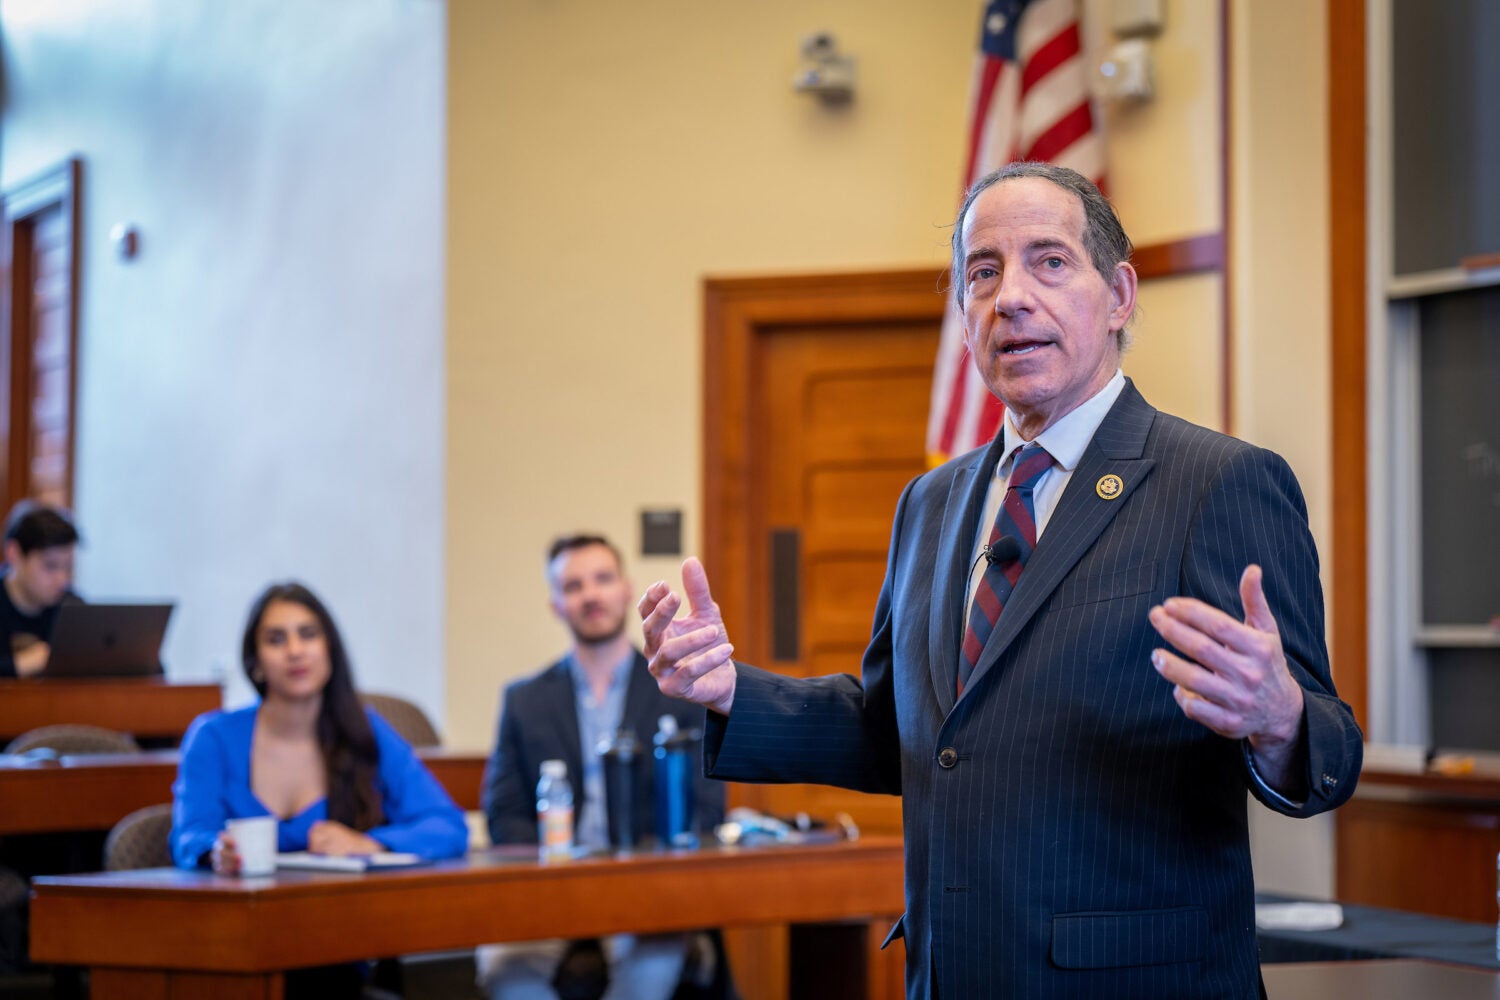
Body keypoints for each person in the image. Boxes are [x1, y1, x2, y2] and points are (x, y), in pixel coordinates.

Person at [639, 162, 1364, 999]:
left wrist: (1278, 720)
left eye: (1049, 262)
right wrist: (733, 692)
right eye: (983, 272)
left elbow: (1329, 749)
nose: (1011, 296)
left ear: (1119, 295)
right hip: (952, 973)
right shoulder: (932, 501)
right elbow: (900, 732)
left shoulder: (1218, 482)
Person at [479, 535, 725, 1000]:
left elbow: (706, 808)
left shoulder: (679, 686)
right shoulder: (523, 700)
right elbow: (504, 816)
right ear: (555, 604)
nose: (590, 594)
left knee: (651, 966)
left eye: (602, 579)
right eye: (573, 585)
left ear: (627, 590)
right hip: (547, 893)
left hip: (646, 892)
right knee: (506, 973)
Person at [172, 581, 467, 869]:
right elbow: (189, 835)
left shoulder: (365, 730)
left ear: (330, 649)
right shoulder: (213, 738)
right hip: (237, 911)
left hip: (342, 911)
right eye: (276, 639)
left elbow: (447, 826)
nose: (295, 651)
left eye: (308, 634)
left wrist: (368, 843)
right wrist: (214, 851)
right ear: (255, 661)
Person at [0, 501, 81, 678]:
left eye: (67, 567)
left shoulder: (73, 607)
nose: (62, 580)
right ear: (14, 553)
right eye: (50, 566)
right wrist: (18, 665)